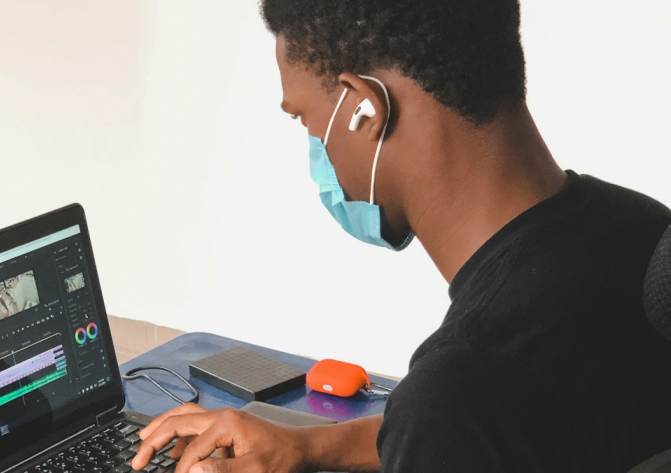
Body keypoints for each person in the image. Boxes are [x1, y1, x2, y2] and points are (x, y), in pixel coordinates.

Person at [132, 1, 671, 472]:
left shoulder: (463, 382)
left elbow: (455, 422)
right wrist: (306, 446)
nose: (316, 150)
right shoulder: (645, 232)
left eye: (306, 121)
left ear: (365, 108)